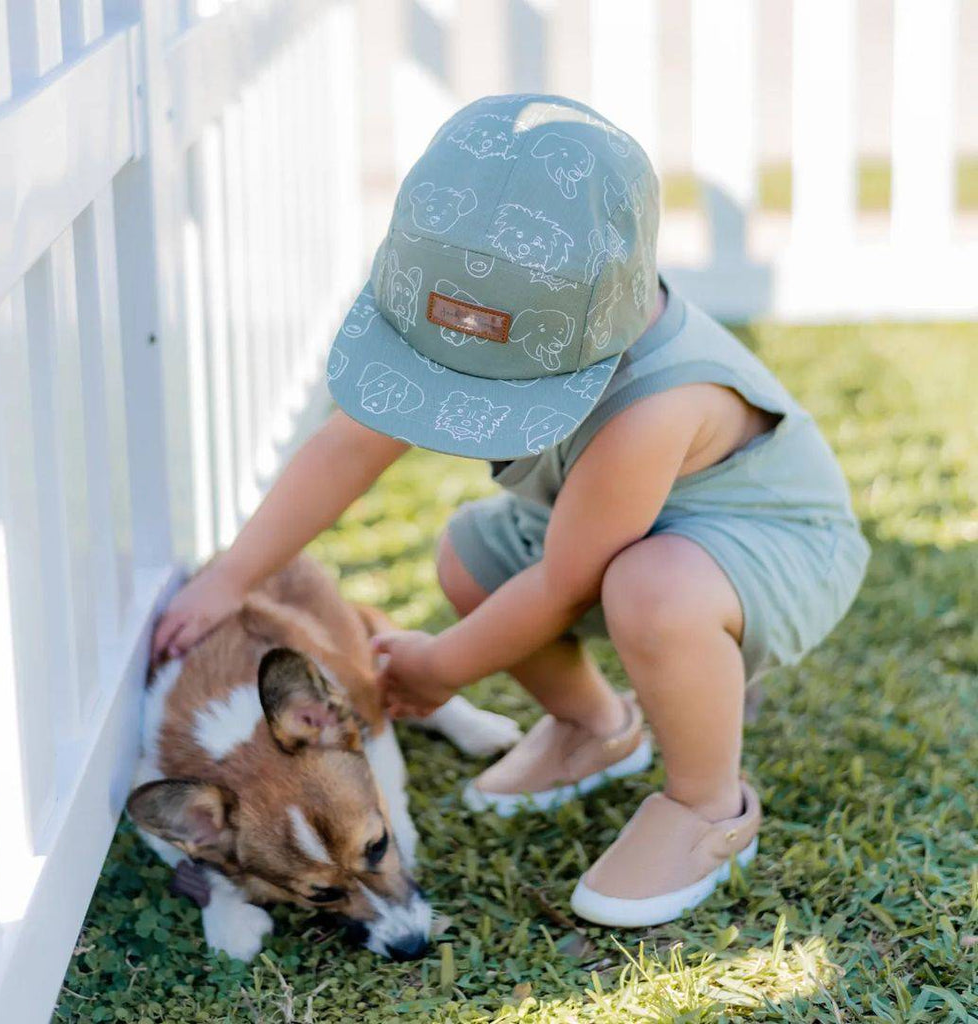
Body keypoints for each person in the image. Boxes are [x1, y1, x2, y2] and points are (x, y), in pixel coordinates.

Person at [152, 94, 869, 926]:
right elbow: (349, 444)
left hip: (771, 547)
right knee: (472, 552)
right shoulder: (501, 306)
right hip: (622, 535)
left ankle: (707, 806)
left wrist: (441, 667)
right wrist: (235, 573)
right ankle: (595, 728)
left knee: (649, 587)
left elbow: (566, 584)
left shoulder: (653, 407)